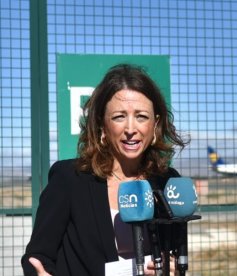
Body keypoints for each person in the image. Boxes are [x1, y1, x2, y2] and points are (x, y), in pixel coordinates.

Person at [21, 64, 188, 275]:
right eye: (119, 116)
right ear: (102, 125)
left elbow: (174, 254)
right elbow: (37, 258)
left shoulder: (167, 183)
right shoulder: (70, 178)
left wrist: (170, 268)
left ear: (155, 124)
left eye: (141, 116)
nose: (130, 129)